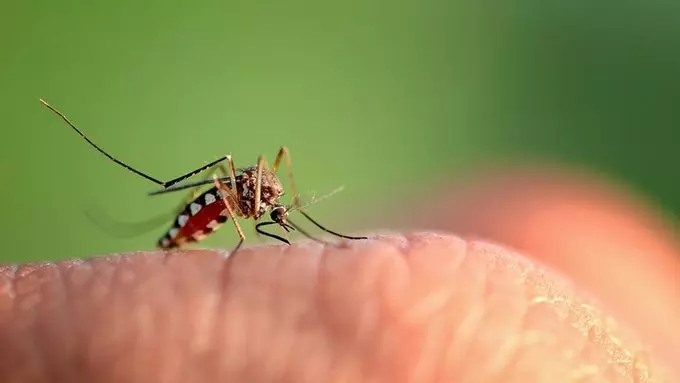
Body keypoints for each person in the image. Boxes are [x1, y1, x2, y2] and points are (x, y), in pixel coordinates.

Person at [1, 167, 678, 382]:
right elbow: (235, 187)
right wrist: (223, 221)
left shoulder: (273, 201)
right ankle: (163, 203)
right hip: (206, 205)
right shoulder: (240, 201)